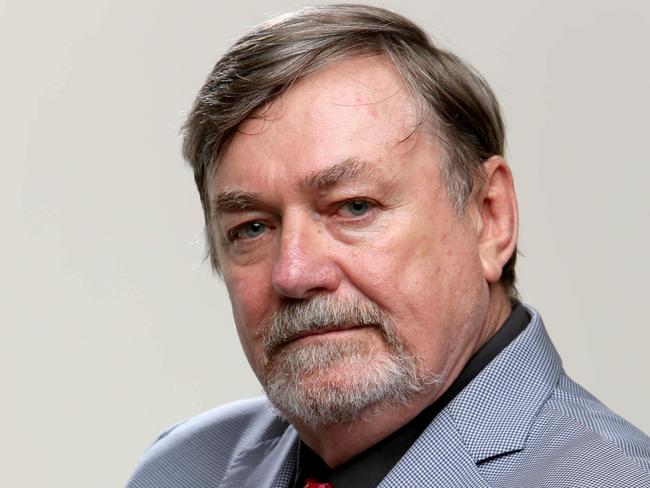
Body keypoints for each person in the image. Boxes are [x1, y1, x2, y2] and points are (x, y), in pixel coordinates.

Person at [127, 5, 650, 487]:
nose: (294, 272)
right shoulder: (181, 467)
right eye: (253, 227)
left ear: (490, 217)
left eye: (354, 207)